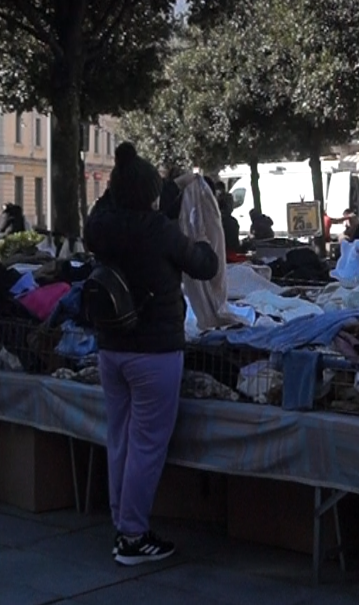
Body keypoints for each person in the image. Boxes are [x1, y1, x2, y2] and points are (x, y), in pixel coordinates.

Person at [84, 142, 218, 566]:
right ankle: (133, 535)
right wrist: (208, 244)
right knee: (146, 444)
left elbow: (113, 202)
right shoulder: (156, 228)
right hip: (155, 350)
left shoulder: (99, 224)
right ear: (149, 193)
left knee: (119, 436)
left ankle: (121, 521)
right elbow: (202, 264)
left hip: (111, 346)